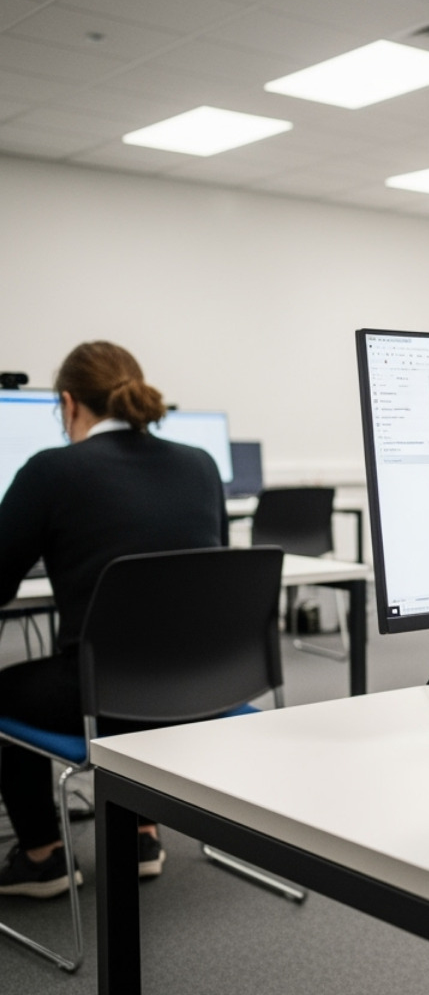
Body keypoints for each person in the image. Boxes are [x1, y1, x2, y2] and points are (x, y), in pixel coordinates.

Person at [0, 342, 226, 898]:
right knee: (135, 652)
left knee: (7, 691)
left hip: (101, 694)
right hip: (205, 688)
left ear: (69, 403)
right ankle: (141, 834)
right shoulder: (200, 463)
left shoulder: (51, 470)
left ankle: (43, 858)